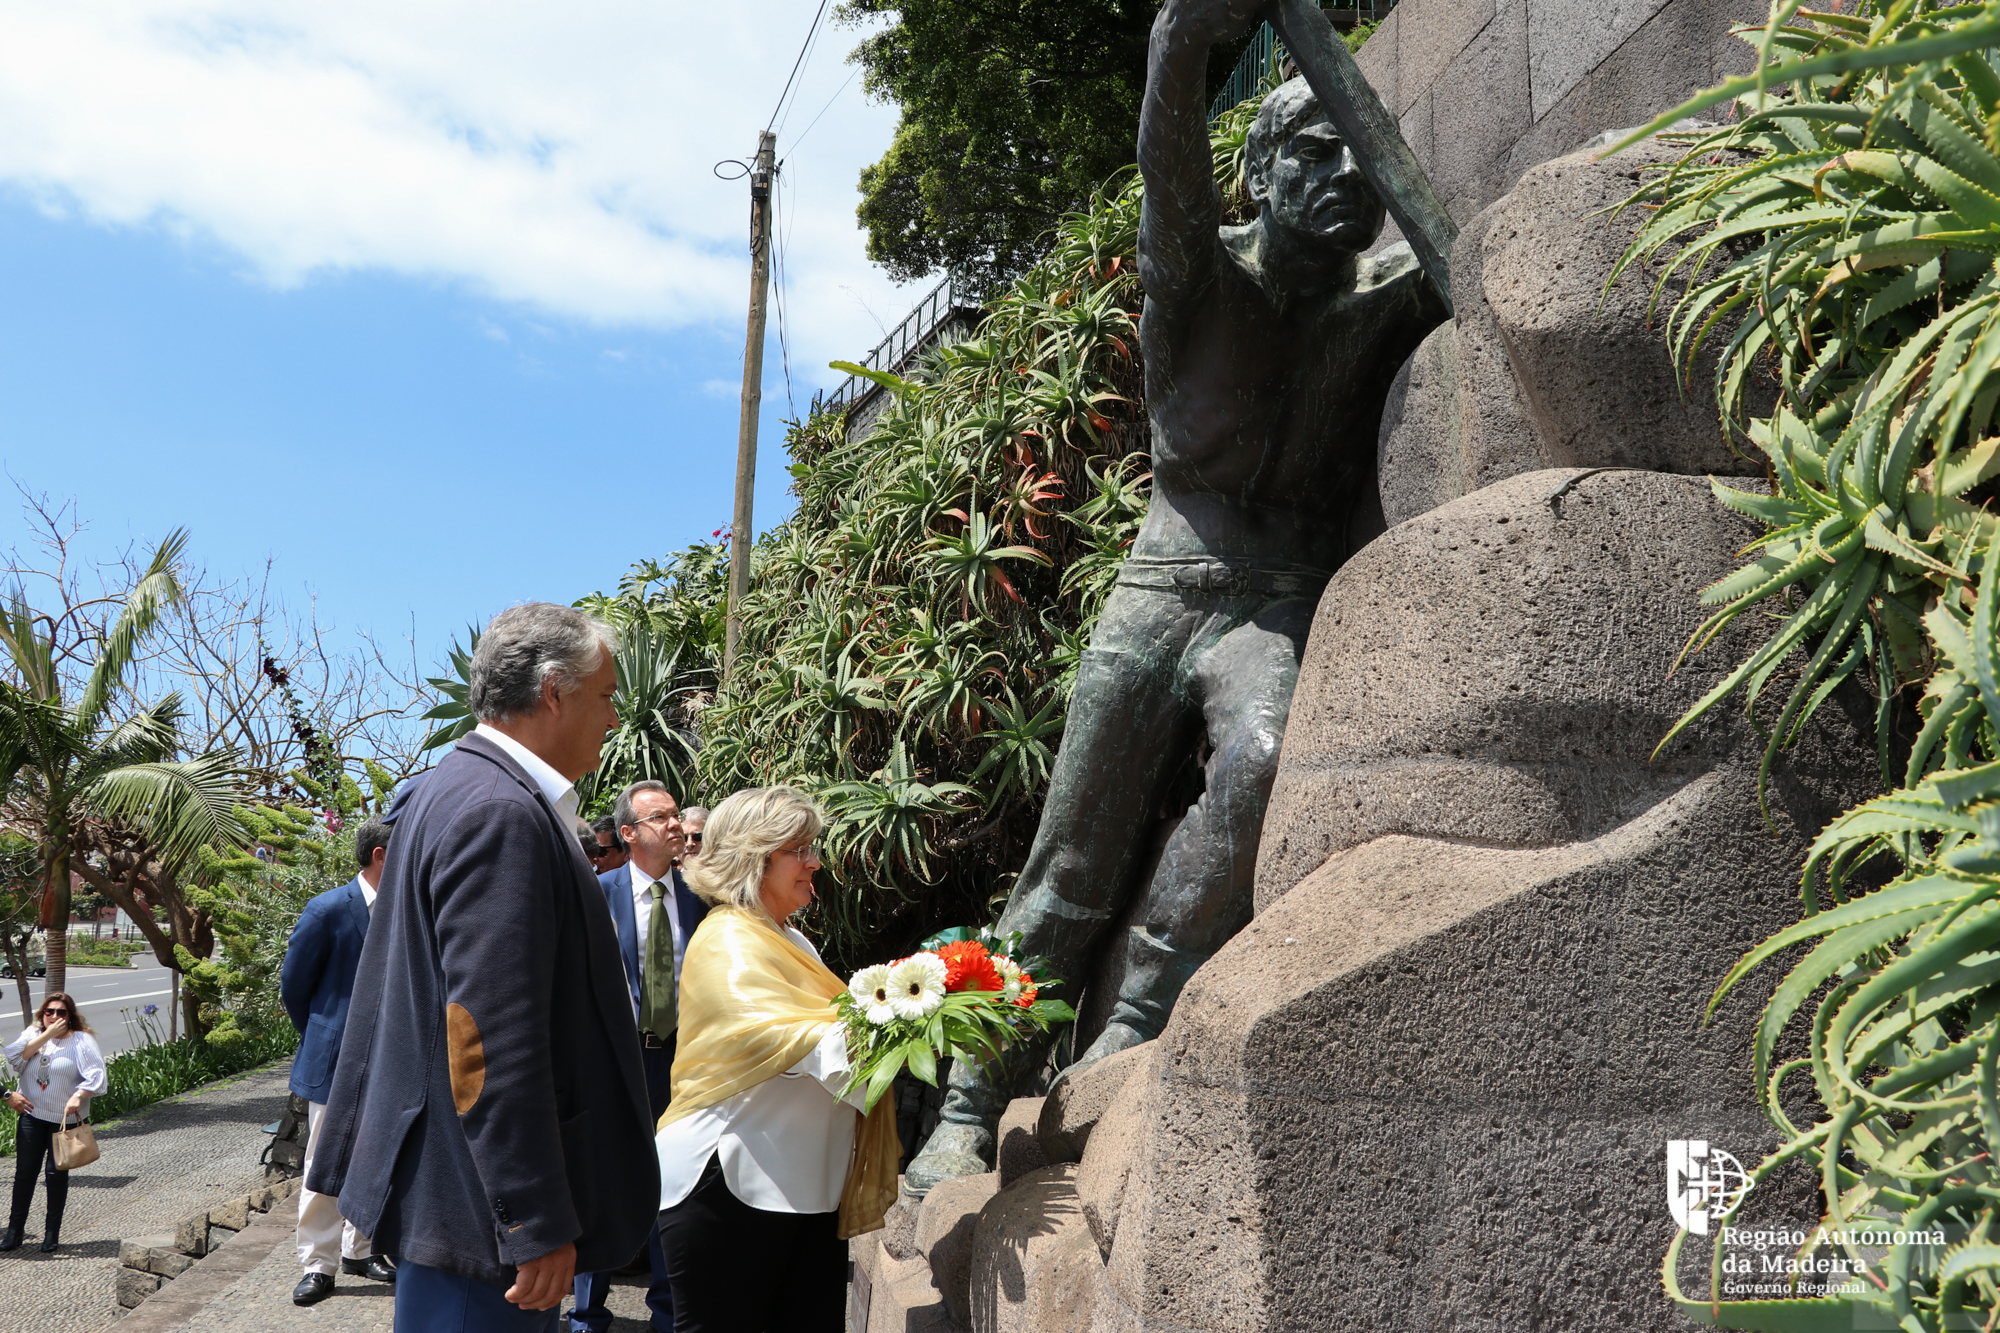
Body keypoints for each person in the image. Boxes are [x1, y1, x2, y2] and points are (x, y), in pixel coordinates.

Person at [903, 0, 1448, 1192]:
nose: (1343, 176)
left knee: (1261, 760)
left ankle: (1137, 1015)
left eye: (1358, 159)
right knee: (1071, 851)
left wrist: (1387, 155)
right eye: (1314, 152)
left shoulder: (1384, 294)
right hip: (1161, 585)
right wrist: (1176, 46)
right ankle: (967, 1101)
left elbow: (1465, 275)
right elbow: (1171, 193)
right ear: (1259, 168)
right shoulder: (1200, 278)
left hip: (1280, 597)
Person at [308, 603, 659, 1333]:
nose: (614, 717)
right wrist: (531, 1217)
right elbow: (486, 1034)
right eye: (605, 696)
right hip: (478, 1220)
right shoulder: (501, 811)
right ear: (554, 692)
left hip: (460, 1198)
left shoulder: (458, 786)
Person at [654, 786, 900, 1332]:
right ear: (753, 858)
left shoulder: (790, 939)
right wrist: (909, 1019)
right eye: (799, 850)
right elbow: (782, 1036)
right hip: (729, 1183)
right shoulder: (728, 939)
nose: (815, 863)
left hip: (806, 1186)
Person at [568, 781, 707, 1333]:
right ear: (628, 832)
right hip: (614, 1064)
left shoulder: (702, 897)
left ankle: (668, 1313)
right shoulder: (595, 893)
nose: (675, 825)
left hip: (682, 1062)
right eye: (661, 817)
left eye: (676, 815)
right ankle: (586, 1313)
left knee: (674, 1184)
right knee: (601, 1184)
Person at [280, 816, 398, 1305]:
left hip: (391, 1059)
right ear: (380, 856)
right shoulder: (328, 908)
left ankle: (361, 1248)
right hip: (335, 1061)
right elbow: (294, 987)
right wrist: (323, 1034)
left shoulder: (405, 909)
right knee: (323, 1161)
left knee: (377, 1158)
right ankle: (318, 1263)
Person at [2, 993, 106, 1252]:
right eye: (50, 1012)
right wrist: (47, 1035)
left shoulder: (81, 1040)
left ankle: (51, 1234)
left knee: (55, 1174)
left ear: (70, 1015)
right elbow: (14, 1056)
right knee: (24, 1174)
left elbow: (96, 1075)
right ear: (42, 1014)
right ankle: (14, 1232)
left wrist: (78, 1096)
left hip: (64, 1120)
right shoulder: (33, 1034)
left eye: (61, 1012)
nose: (55, 1016)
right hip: (32, 1116)